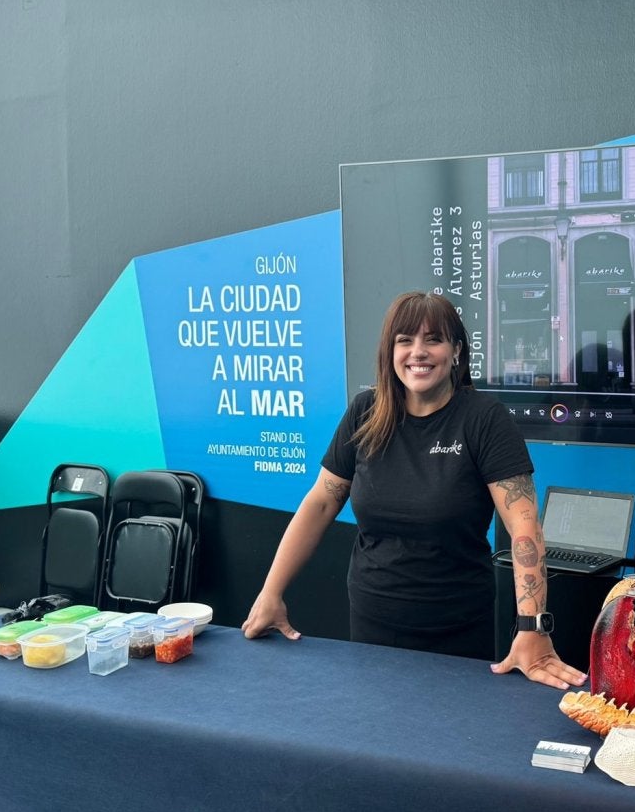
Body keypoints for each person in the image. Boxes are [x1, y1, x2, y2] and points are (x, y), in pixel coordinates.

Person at [241, 290, 586, 690]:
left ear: (456, 351)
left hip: (458, 630)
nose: (418, 352)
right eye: (405, 340)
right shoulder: (365, 412)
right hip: (372, 623)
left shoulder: (484, 419)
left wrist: (533, 627)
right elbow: (319, 504)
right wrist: (270, 593)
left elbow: (523, 525)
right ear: (390, 352)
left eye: (433, 340)